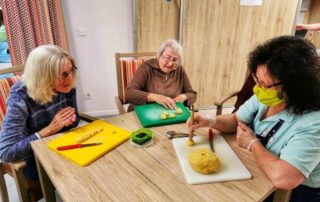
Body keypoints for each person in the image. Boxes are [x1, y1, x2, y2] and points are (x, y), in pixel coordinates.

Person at [187, 36, 320, 202]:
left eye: (265, 84)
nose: (258, 88)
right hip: (258, 171)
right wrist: (209, 121)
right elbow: (235, 120)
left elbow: (285, 178)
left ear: (294, 85)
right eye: (257, 80)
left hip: (296, 192)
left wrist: (252, 143)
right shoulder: (265, 97)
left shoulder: (314, 122)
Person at [0, 44, 79, 180]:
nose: (71, 79)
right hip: (33, 158)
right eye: (63, 74)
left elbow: (74, 121)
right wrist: (49, 130)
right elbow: (6, 152)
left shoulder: (67, 85)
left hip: (60, 144)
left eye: (71, 70)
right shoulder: (20, 96)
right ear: (43, 76)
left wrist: (68, 121)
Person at [125, 39, 197, 111]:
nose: (171, 63)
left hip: (170, 113)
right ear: (159, 55)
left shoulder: (179, 70)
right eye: (167, 58)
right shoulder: (146, 67)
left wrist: (183, 97)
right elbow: (129, 93)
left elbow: (192, 94)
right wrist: (156, 97)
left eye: (175, 60)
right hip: (145, 112)